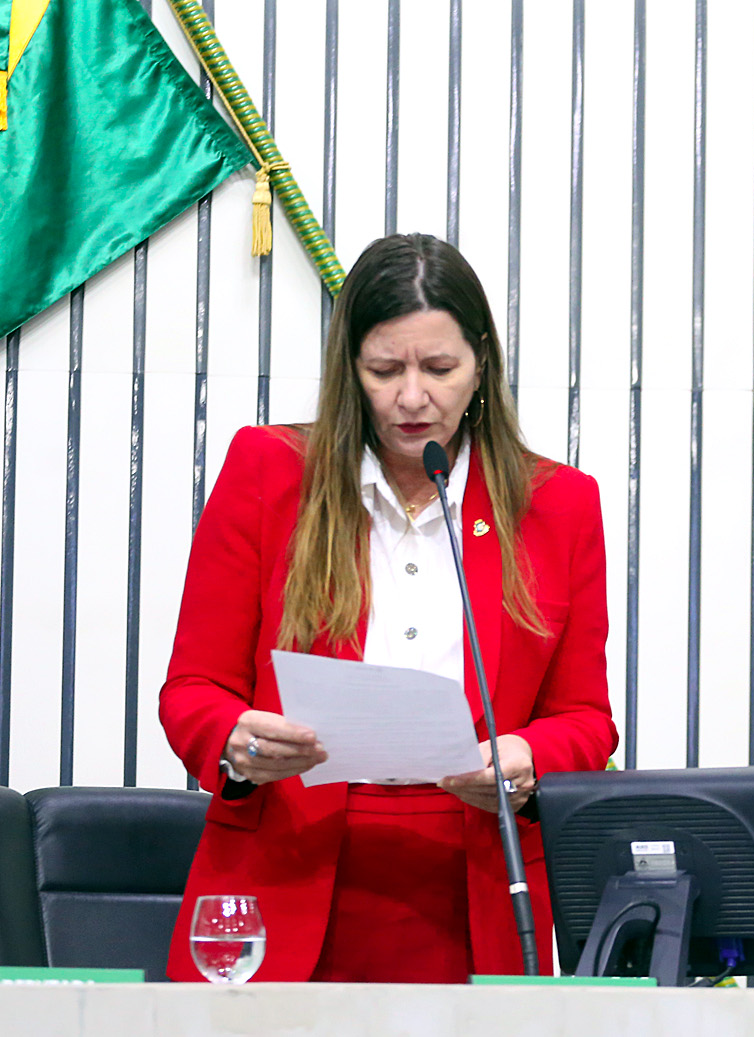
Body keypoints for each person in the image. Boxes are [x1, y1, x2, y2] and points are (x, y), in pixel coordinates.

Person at [159, 233, 618, 983]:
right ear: (350, 371)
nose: (412, 397)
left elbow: (586, 717)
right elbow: (191, 690)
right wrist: (236, 739)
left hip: (473, 882)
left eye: (439, 368)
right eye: (383, 370)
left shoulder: (558, 505)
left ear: (481, 366)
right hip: (286, 872)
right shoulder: (268, 472)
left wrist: (529, 756)